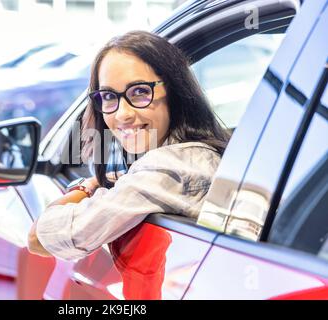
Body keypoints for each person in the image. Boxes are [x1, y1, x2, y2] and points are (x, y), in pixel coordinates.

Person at [28, 30, 230, 260]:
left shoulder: (167, 168)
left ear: (175, 91)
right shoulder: (202, 155)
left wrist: (86, 187)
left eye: (140, 92)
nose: (123, 114)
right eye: (108, 97)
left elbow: (37, 239)